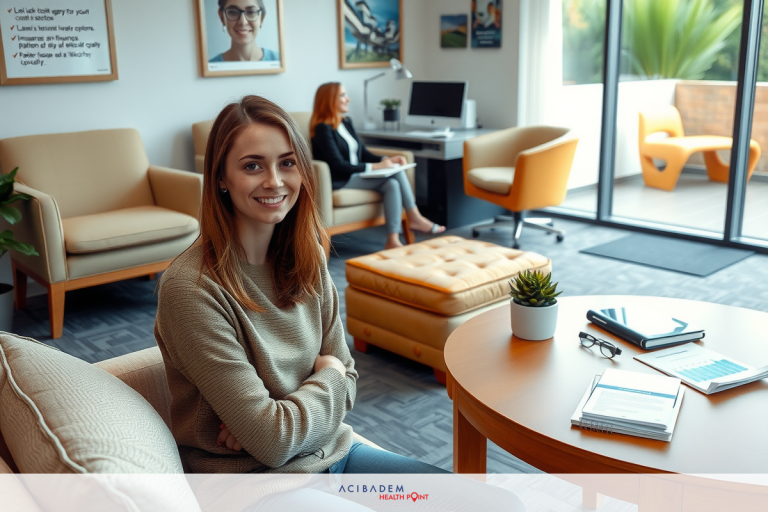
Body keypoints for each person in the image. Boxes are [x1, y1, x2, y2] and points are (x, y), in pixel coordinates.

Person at [154, 96, 525, 511]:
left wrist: (285, 414)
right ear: (221, 177)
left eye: (287, 163)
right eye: (252, 166)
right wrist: (324, 376)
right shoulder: (191, 289)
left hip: (334, 457)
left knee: (498, 504)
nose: (274, 181)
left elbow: (348, 379)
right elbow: (275, 439)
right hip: (253, 484)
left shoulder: (305, 256)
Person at [310, 82, 446, 249]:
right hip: (341, 178)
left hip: (357, 174)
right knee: (395, 174)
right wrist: (376, 167)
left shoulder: (346, 122)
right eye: (342, 95)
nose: (348, 99)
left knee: (392, 184)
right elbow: (338, 165)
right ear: (329, 100)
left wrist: (386, 159)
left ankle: (392, 240)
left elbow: (363, 153)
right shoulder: (322, 129)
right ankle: (415, 216)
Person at [210, 0, 279, 62]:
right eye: (233, 12)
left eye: (251, 12)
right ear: (222, 17)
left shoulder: (279, 61)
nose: (243, 22)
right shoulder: (209, 67)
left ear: (261, 18)